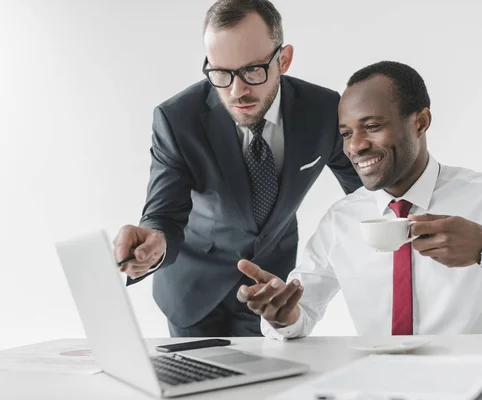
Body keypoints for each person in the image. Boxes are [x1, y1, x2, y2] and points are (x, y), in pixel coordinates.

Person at [236, 61, 482, 339]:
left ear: (421, 122)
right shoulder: (341, 220)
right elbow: (301, 312)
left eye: (372, 126)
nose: (355, 146)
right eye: (346, 133)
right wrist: (282, 316)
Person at [112, 0, 361, 337]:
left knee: (270, 388)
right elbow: (163, 215)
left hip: (271, 289)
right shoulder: (177, 120)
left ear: (283, 60)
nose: (237, 90)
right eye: (221, 73)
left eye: (253, 70)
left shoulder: (324, 110)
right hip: (192, 291)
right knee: (203, 389)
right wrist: (153, 245)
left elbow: (364, 194)